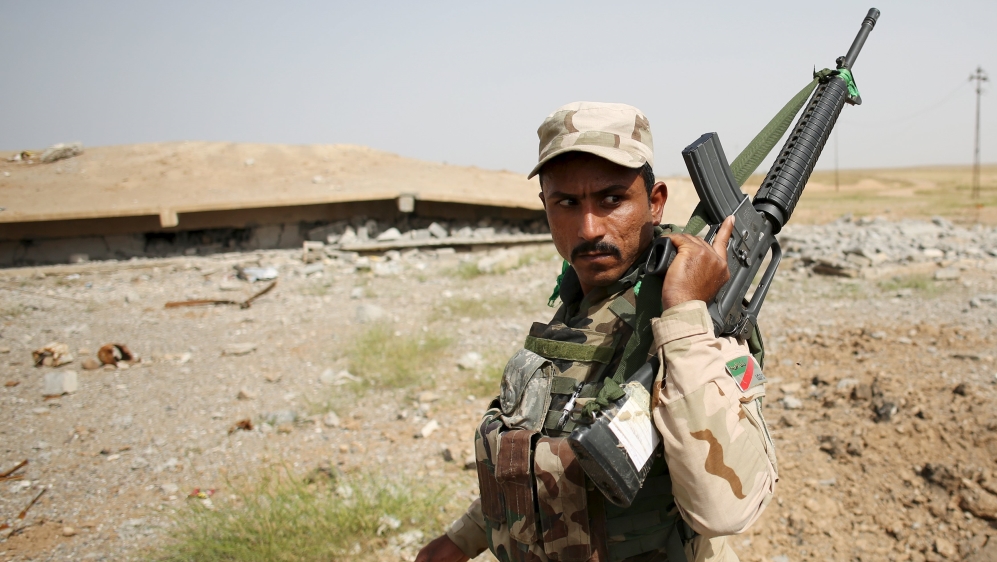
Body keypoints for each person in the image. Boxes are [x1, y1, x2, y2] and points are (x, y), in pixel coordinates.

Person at [417, 102, 777, 562]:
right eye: (566, 203)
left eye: (612, 200)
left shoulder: (696, 319)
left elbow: (724, 510)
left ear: (656, 202)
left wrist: (685, 317)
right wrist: (462, 539)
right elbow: (545, 448)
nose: (588, 229)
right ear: (545, 207)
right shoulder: (577, 305)